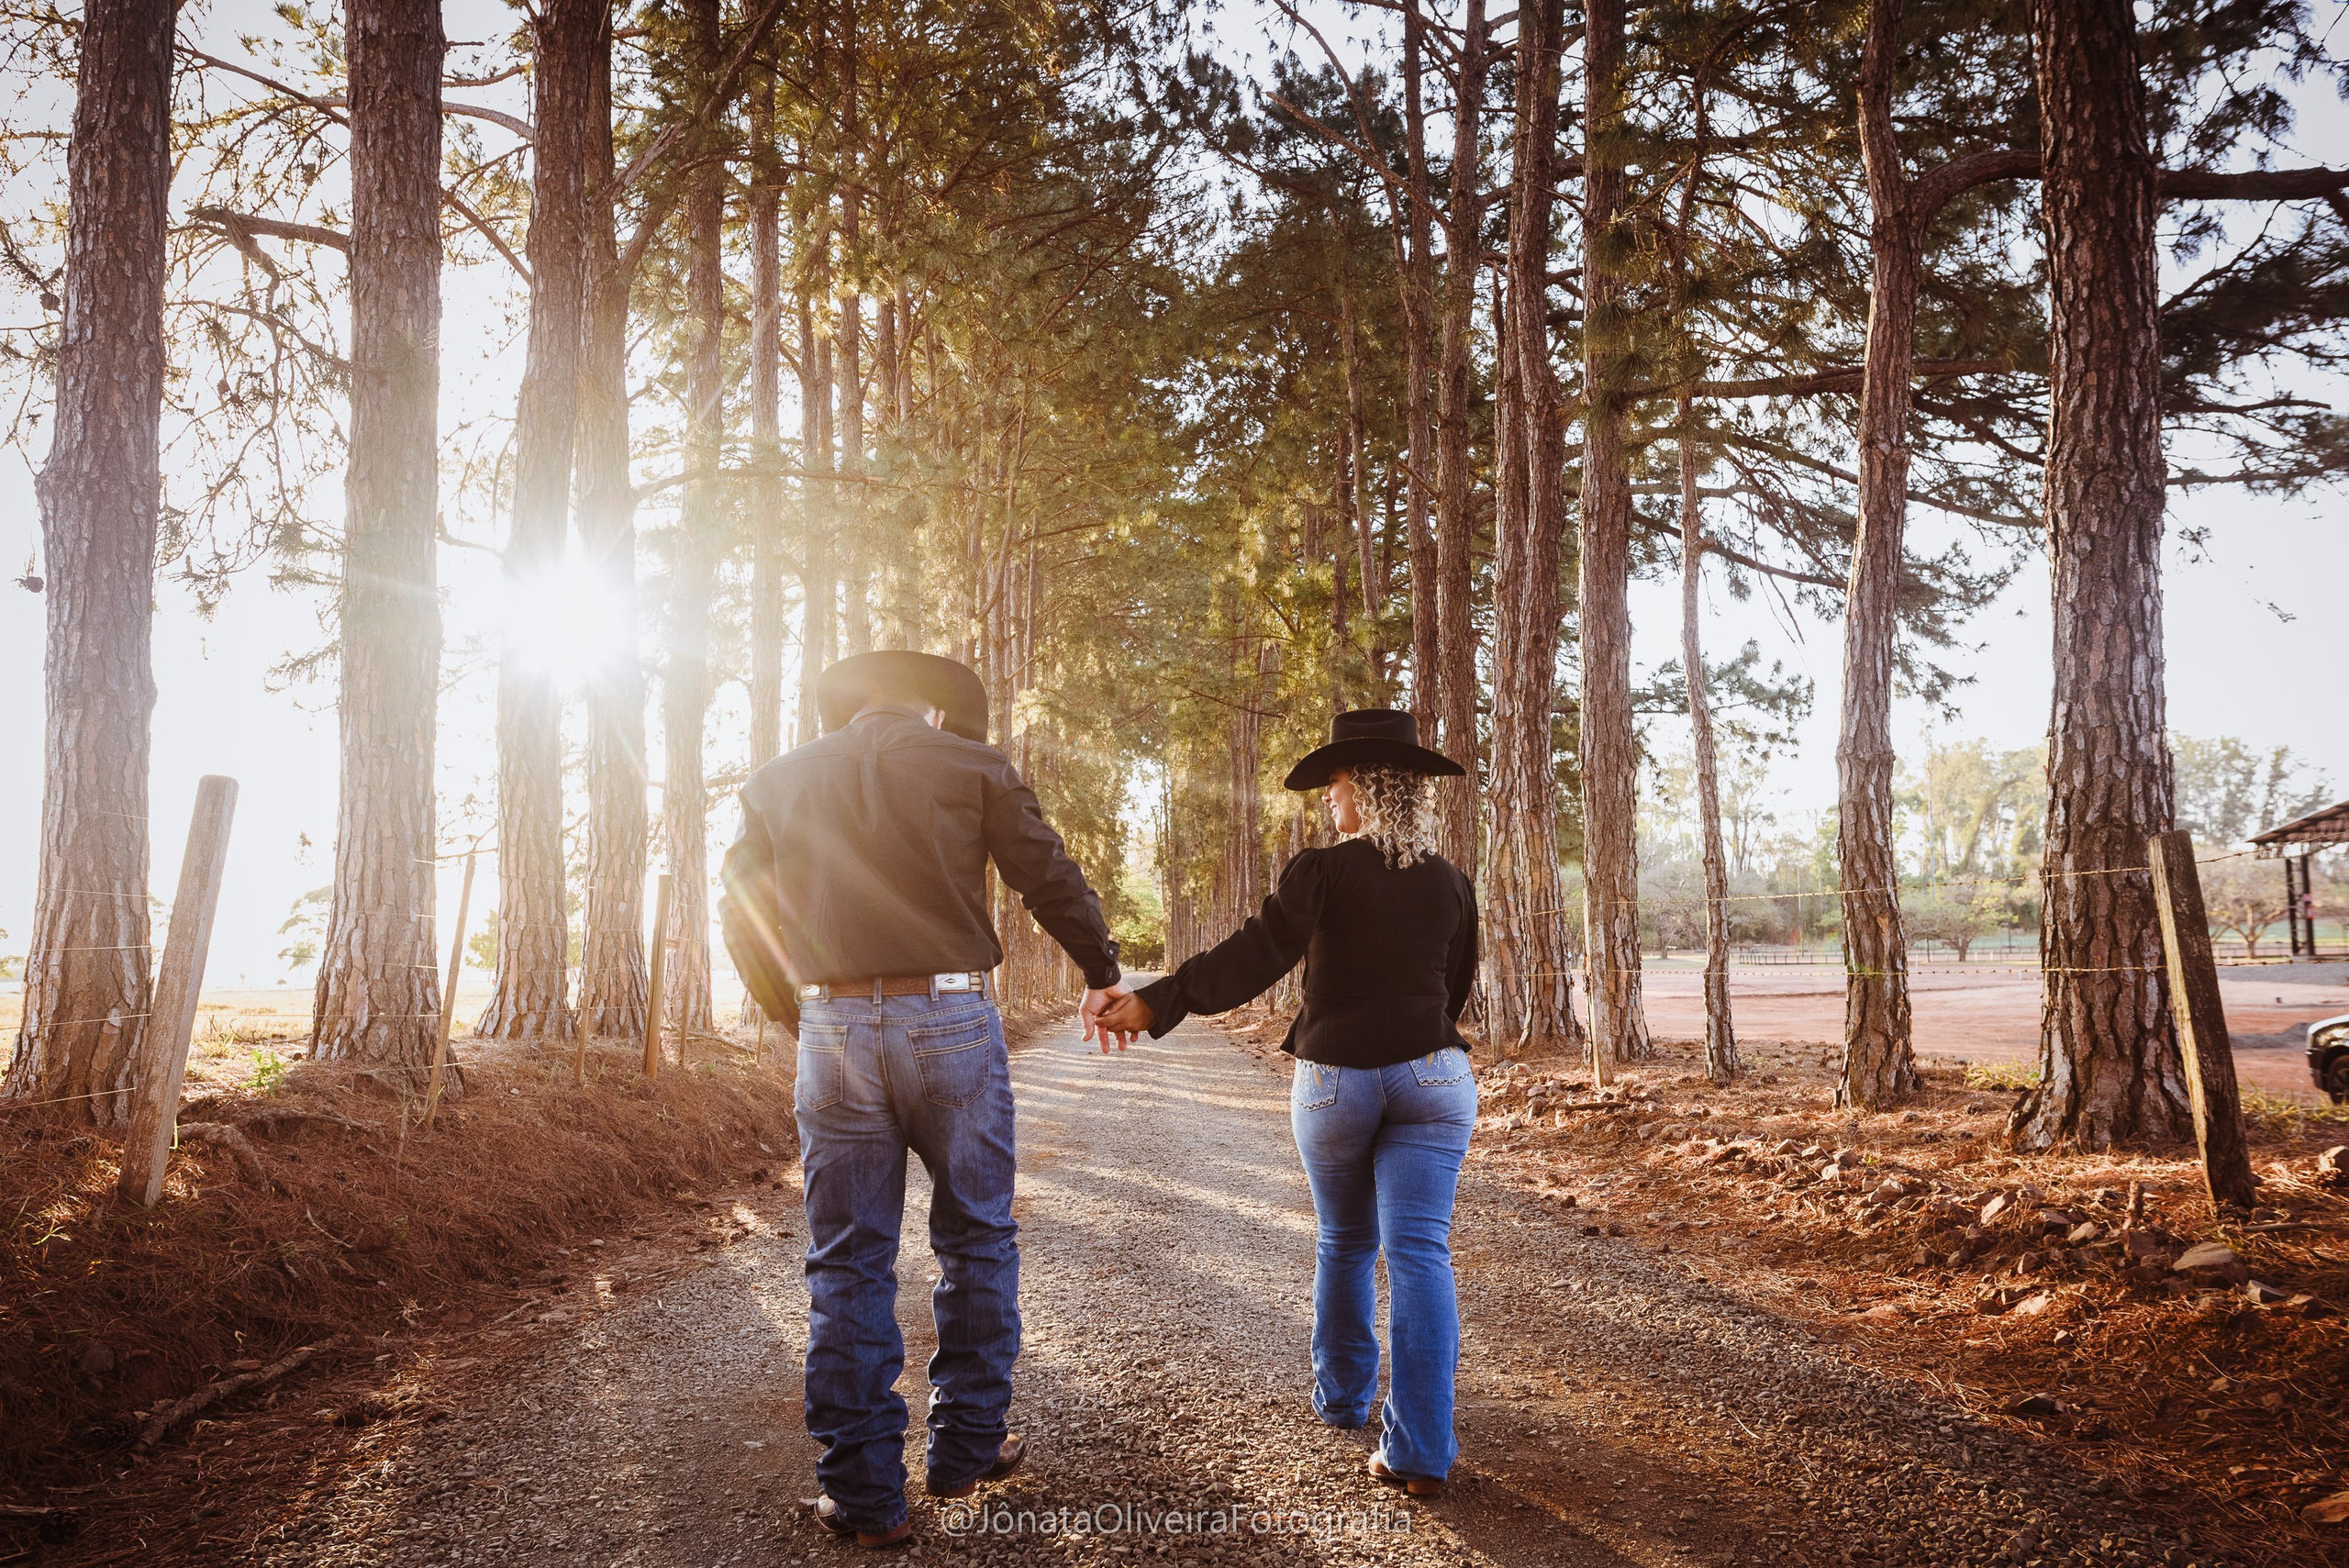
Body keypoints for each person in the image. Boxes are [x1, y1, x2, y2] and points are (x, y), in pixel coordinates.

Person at [720, 651, 1136, 1549]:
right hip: (950, 1015)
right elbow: (1047, 872)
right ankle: (967, 1446)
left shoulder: (779, 777)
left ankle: (866, 1498)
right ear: (935, 709)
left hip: (831, 1022)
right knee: (976, 1234)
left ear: (852, 703)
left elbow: (740, 906)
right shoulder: (969, 762)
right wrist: (1102, 970)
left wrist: (797, 1013)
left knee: (847, 1259)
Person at [1097, 708, 1475, 1498]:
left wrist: (1158, 1000)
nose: (1328, 798)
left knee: (1344, 1240)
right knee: (1419, 1254)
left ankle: (1342, 1400)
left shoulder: (1323, 871)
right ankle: (1420, 1451)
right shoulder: (1452, 882)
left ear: (1364, 786)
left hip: (1338, 1073)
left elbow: (1255, 953)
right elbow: (1455, 988)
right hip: (1436, 1075)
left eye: (1335, 781)